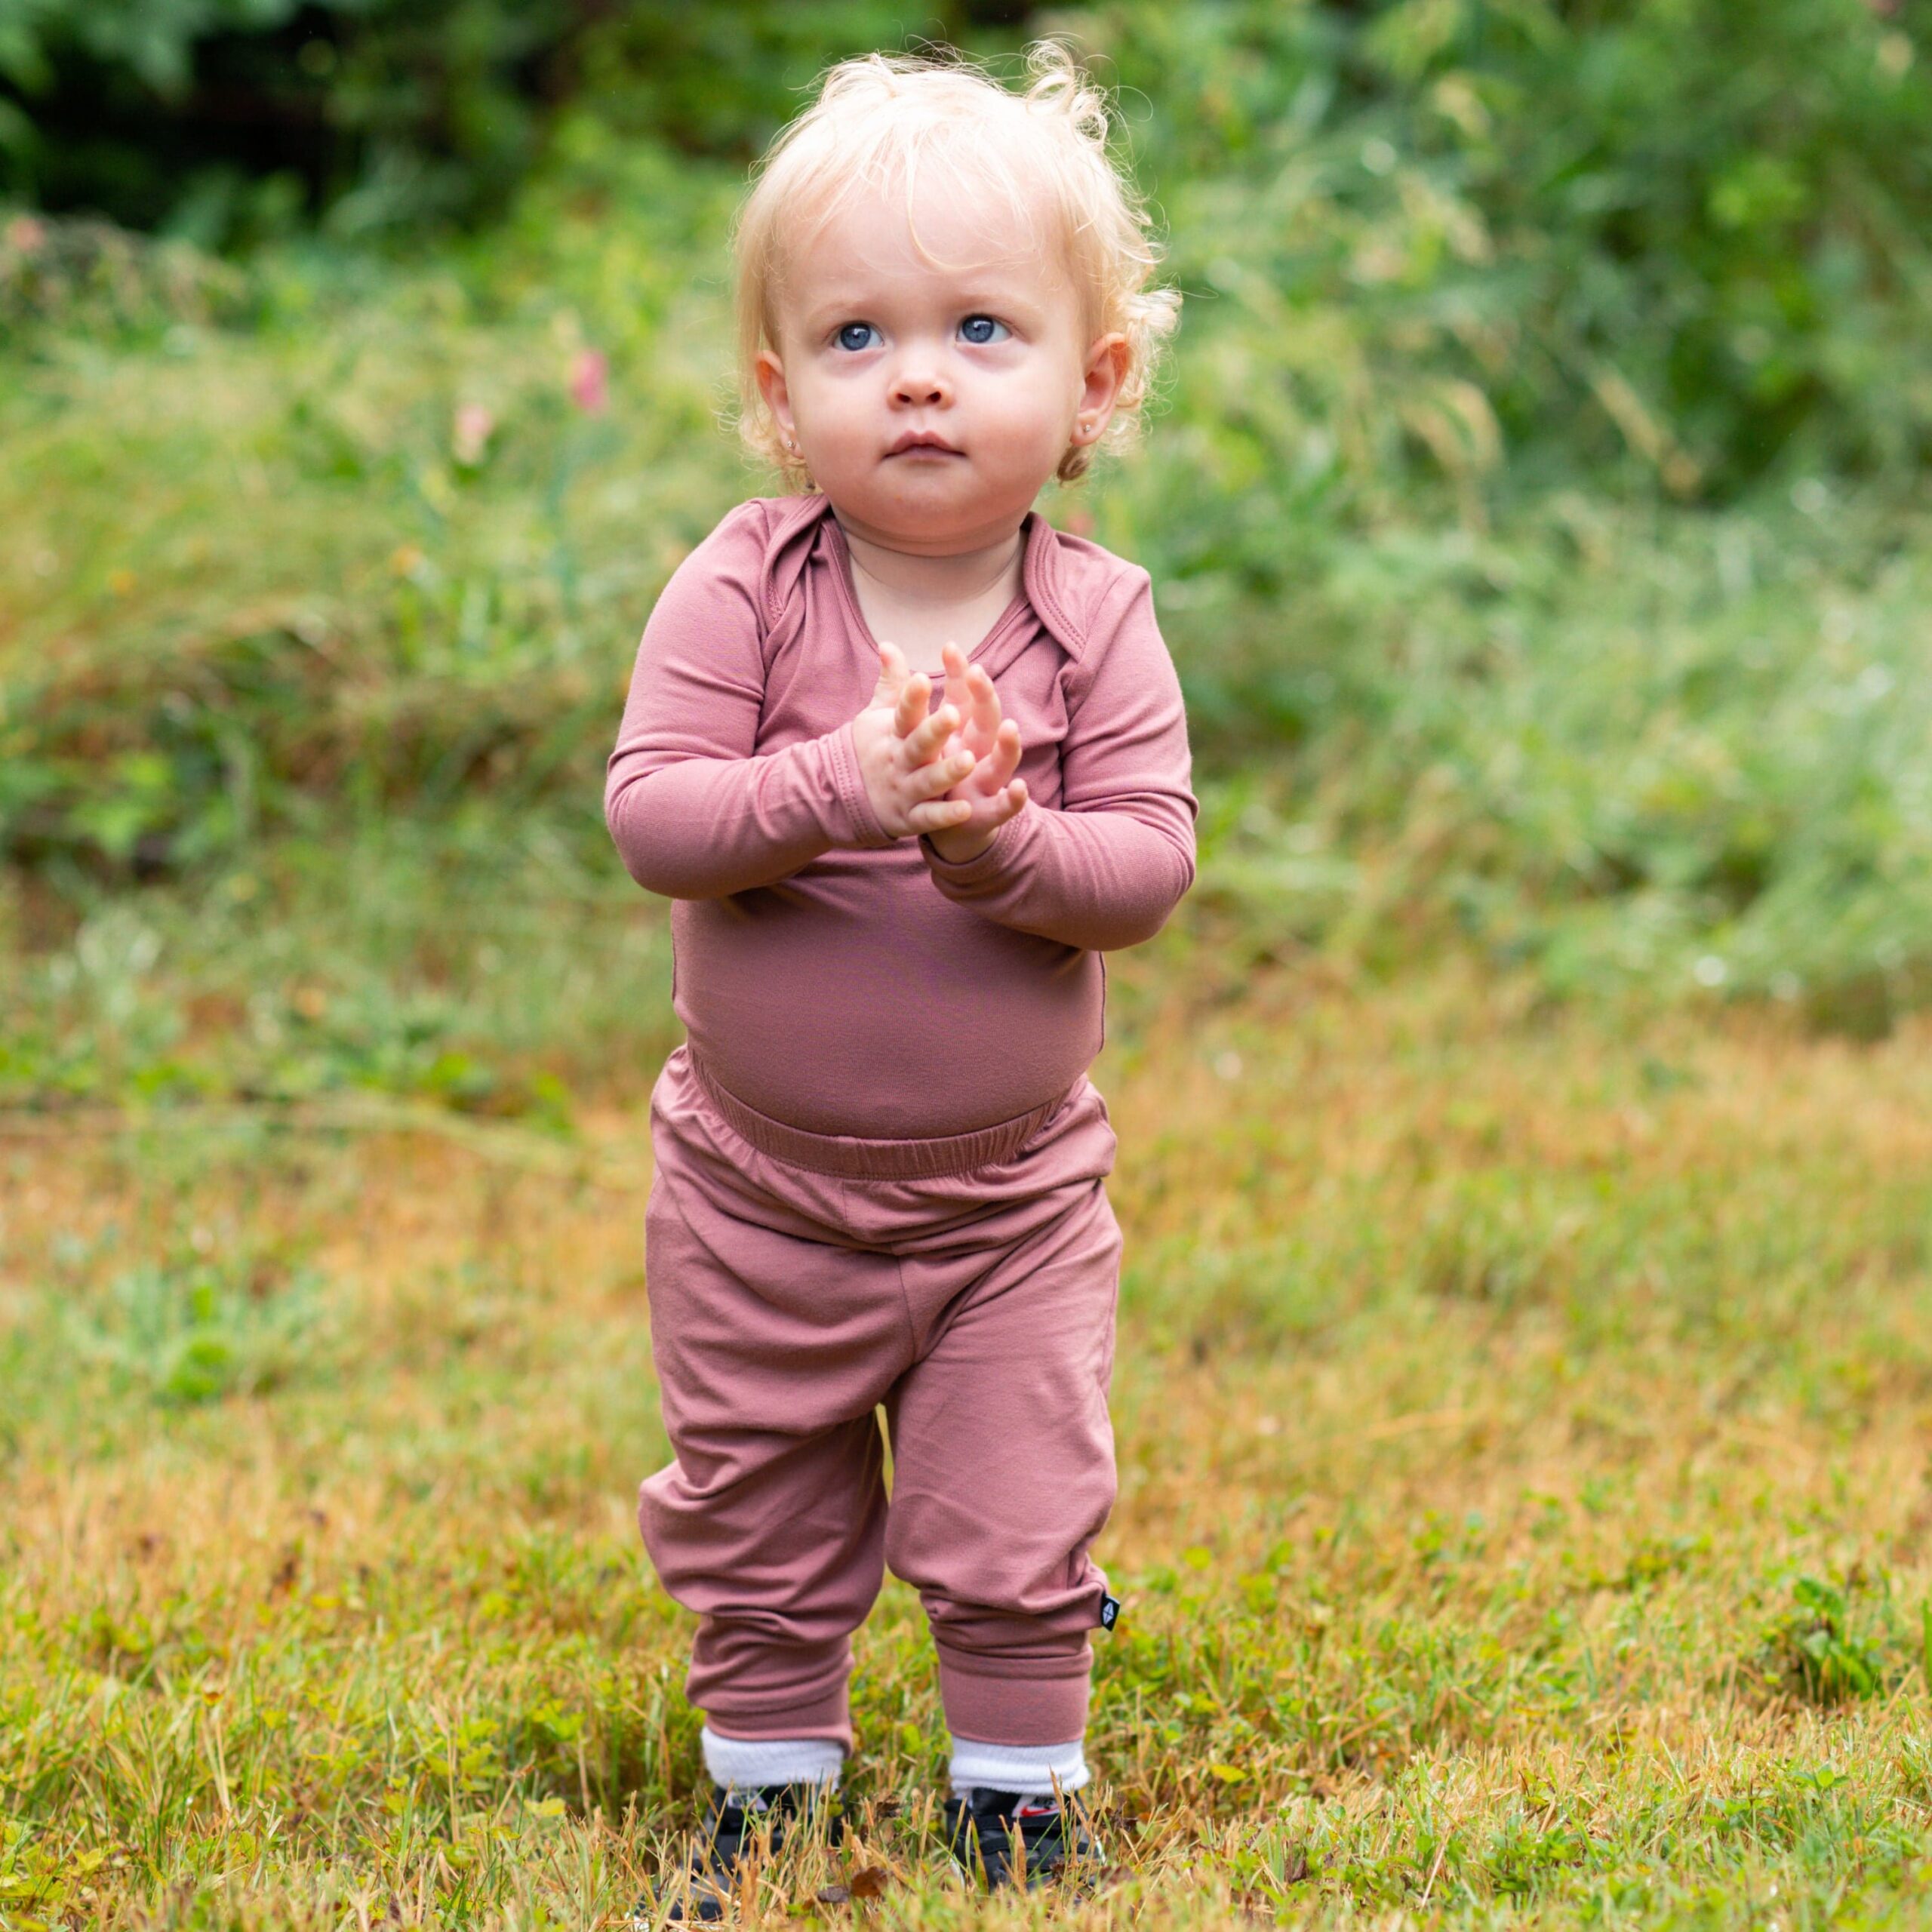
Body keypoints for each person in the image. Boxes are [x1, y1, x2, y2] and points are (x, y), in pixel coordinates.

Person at [604, 42, 1194, 1915]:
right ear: (782, 401)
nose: (918, 373)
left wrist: (998, 849)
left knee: (1014, 1506)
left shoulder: (1093, 620)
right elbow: (657, 818)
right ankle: (765, 1788)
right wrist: (838, 787)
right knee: (755, 1499)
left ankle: (1014, 1795)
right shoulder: (742, 589)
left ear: (1091, 383)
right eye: (855, 338)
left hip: (1011, 1197)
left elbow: (1150, 867)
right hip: (758, 1187)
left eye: (979, 330)